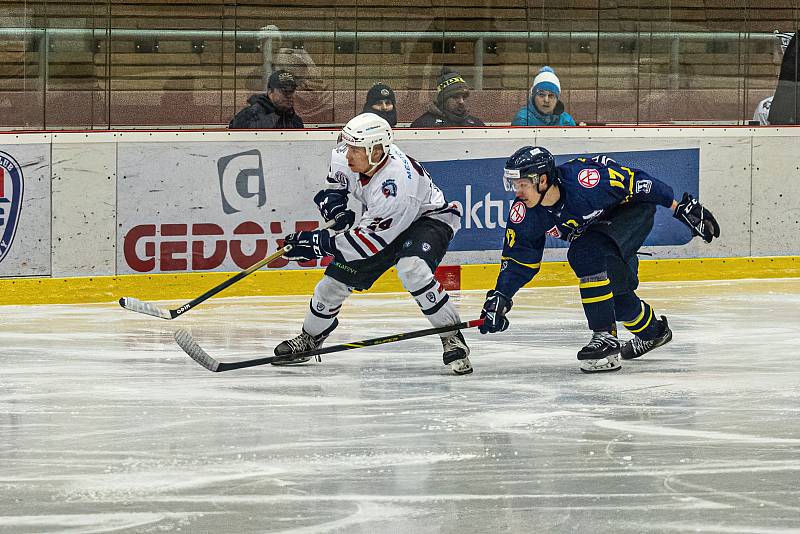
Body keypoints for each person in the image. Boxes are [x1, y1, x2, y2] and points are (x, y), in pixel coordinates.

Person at [479, 147, 720, 373]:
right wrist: (501, 296)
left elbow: (638, 182)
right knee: (619, 299)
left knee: (584, 253)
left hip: (632, 213)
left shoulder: (585, 180)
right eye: (514, 185)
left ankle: (605, 337)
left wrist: (679, 207)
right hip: (599, 233)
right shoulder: (526, 213)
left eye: (522, 184)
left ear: (542, 180)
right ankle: (655, 332)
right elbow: (520, 258)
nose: (517, 193)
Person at [273, 113, 472, 375]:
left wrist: (317, 244)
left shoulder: (397, 184)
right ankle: (310, 337)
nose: (347, 155)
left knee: (412, 269)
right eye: (348, 147)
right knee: (331, 285)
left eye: (355, 150)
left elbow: (369, 243)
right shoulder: (348, 153)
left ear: (376, 150)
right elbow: (335, 188)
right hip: (383, 224)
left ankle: (451, 335)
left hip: (427, 219)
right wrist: (335, 209)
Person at [228, 70, 304, 129]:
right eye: (284, 91)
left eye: (292, 91)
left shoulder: (296, 121)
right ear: (270, 92)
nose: (289, 95)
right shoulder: (249, 116)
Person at [410, 70, 485, 128]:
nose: (461, 101)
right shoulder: (423, 125)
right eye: (455, 97)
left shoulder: (476, 124)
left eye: (464, 97)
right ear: (442, 100)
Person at [512, 66, 577, 126]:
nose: (546, 100)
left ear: (557, 100)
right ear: (533, 97)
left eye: (551, 96)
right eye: (541, 95)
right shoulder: (523, 119)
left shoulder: (566, 121)